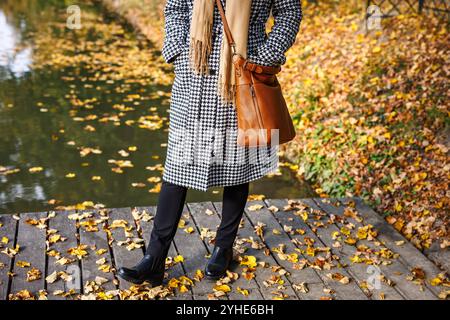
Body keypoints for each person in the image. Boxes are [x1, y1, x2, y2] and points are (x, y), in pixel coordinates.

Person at [118, 0, 302, 285]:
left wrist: (265, 55)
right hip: (195, 70)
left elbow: (290, 11)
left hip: (242, 72)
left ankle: (223, 248)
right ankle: (154, 258)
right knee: (177, 166)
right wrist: (179, 50)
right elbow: (176, 7)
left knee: (239, 164)